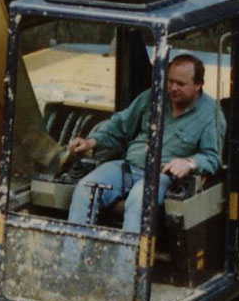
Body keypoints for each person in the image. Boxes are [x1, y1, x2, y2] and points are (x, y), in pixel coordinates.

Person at [65, 54, 221, 232]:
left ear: (198, 84)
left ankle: (128, 260)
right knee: (85, 189)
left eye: (181, 84)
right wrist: (92, 142)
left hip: (163, 177)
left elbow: (212, 157)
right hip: (128, 167)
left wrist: (189, 163)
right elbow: (121, 125)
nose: (173, 88)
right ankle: (72, 256)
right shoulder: (152, 97)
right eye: (170, 81)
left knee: (139, 199)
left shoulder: (210, 114)